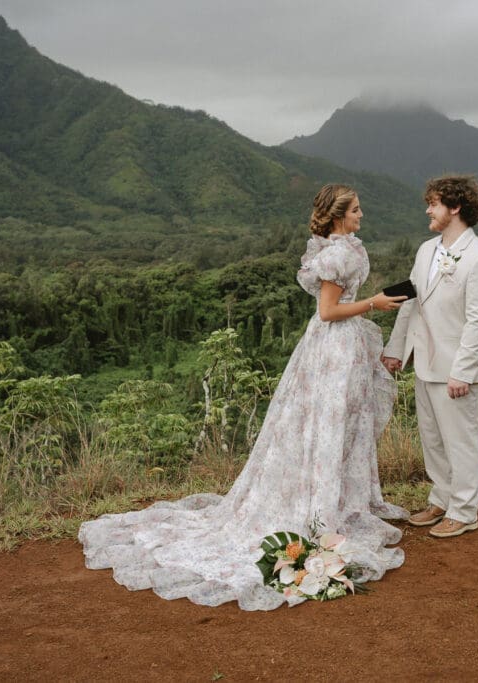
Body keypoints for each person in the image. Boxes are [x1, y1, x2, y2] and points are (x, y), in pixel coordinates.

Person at [79, 184, 409, 610]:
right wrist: (373, 303)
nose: (363, 215)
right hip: (332, 345)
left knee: (341, 426)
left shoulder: (343, 248)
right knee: (325, 426)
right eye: (357, 210)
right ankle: (318, 510)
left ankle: (338, 502)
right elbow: (327, 312)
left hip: (341, 347)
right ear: (337, 216)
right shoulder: (334, 255)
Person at [381, 175, 478, 538]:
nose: (427, 210)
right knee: (432, 438)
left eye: (433, 204)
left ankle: (464, 511)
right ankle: (441, 498)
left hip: (458, 370)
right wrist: (395, 349)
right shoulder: (425, 250)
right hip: (426, 363)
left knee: (461, 441)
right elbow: (410, 301)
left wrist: (462, 372)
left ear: (455, 207)